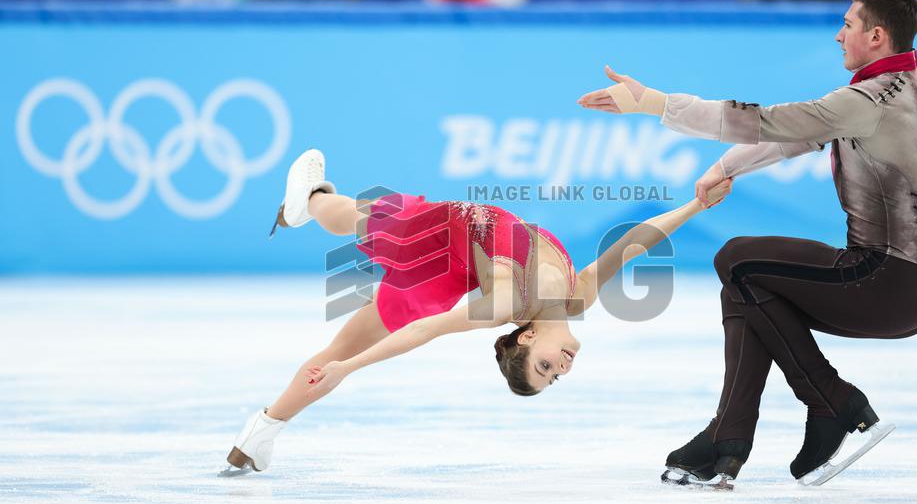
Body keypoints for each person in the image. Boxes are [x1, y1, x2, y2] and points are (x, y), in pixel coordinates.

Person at [579, 0, 917, 488]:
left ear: (877, 35)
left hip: (882, 281)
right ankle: (726, 442)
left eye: (848, 24)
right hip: (914, 288)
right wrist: (727, 168)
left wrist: (656, 103)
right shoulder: (915, 79)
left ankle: (833, 401)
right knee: (749, 285)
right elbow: (805, 133)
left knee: (737, 258)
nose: (839, 35)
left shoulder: (870, 99)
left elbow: (769, 122)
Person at [221, 149, 732, 475]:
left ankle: (309, 201)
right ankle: (258, 436)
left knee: (356, 239)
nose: (563, 368)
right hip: (455, 258)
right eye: (556, 376)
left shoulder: (507, 304)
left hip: (432, 243)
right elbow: (633, 243)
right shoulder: (578, 297)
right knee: (360, 221)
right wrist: (695, 208)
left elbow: (425, 331)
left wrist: (350, 368)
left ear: (527, 340)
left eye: (545, 368)